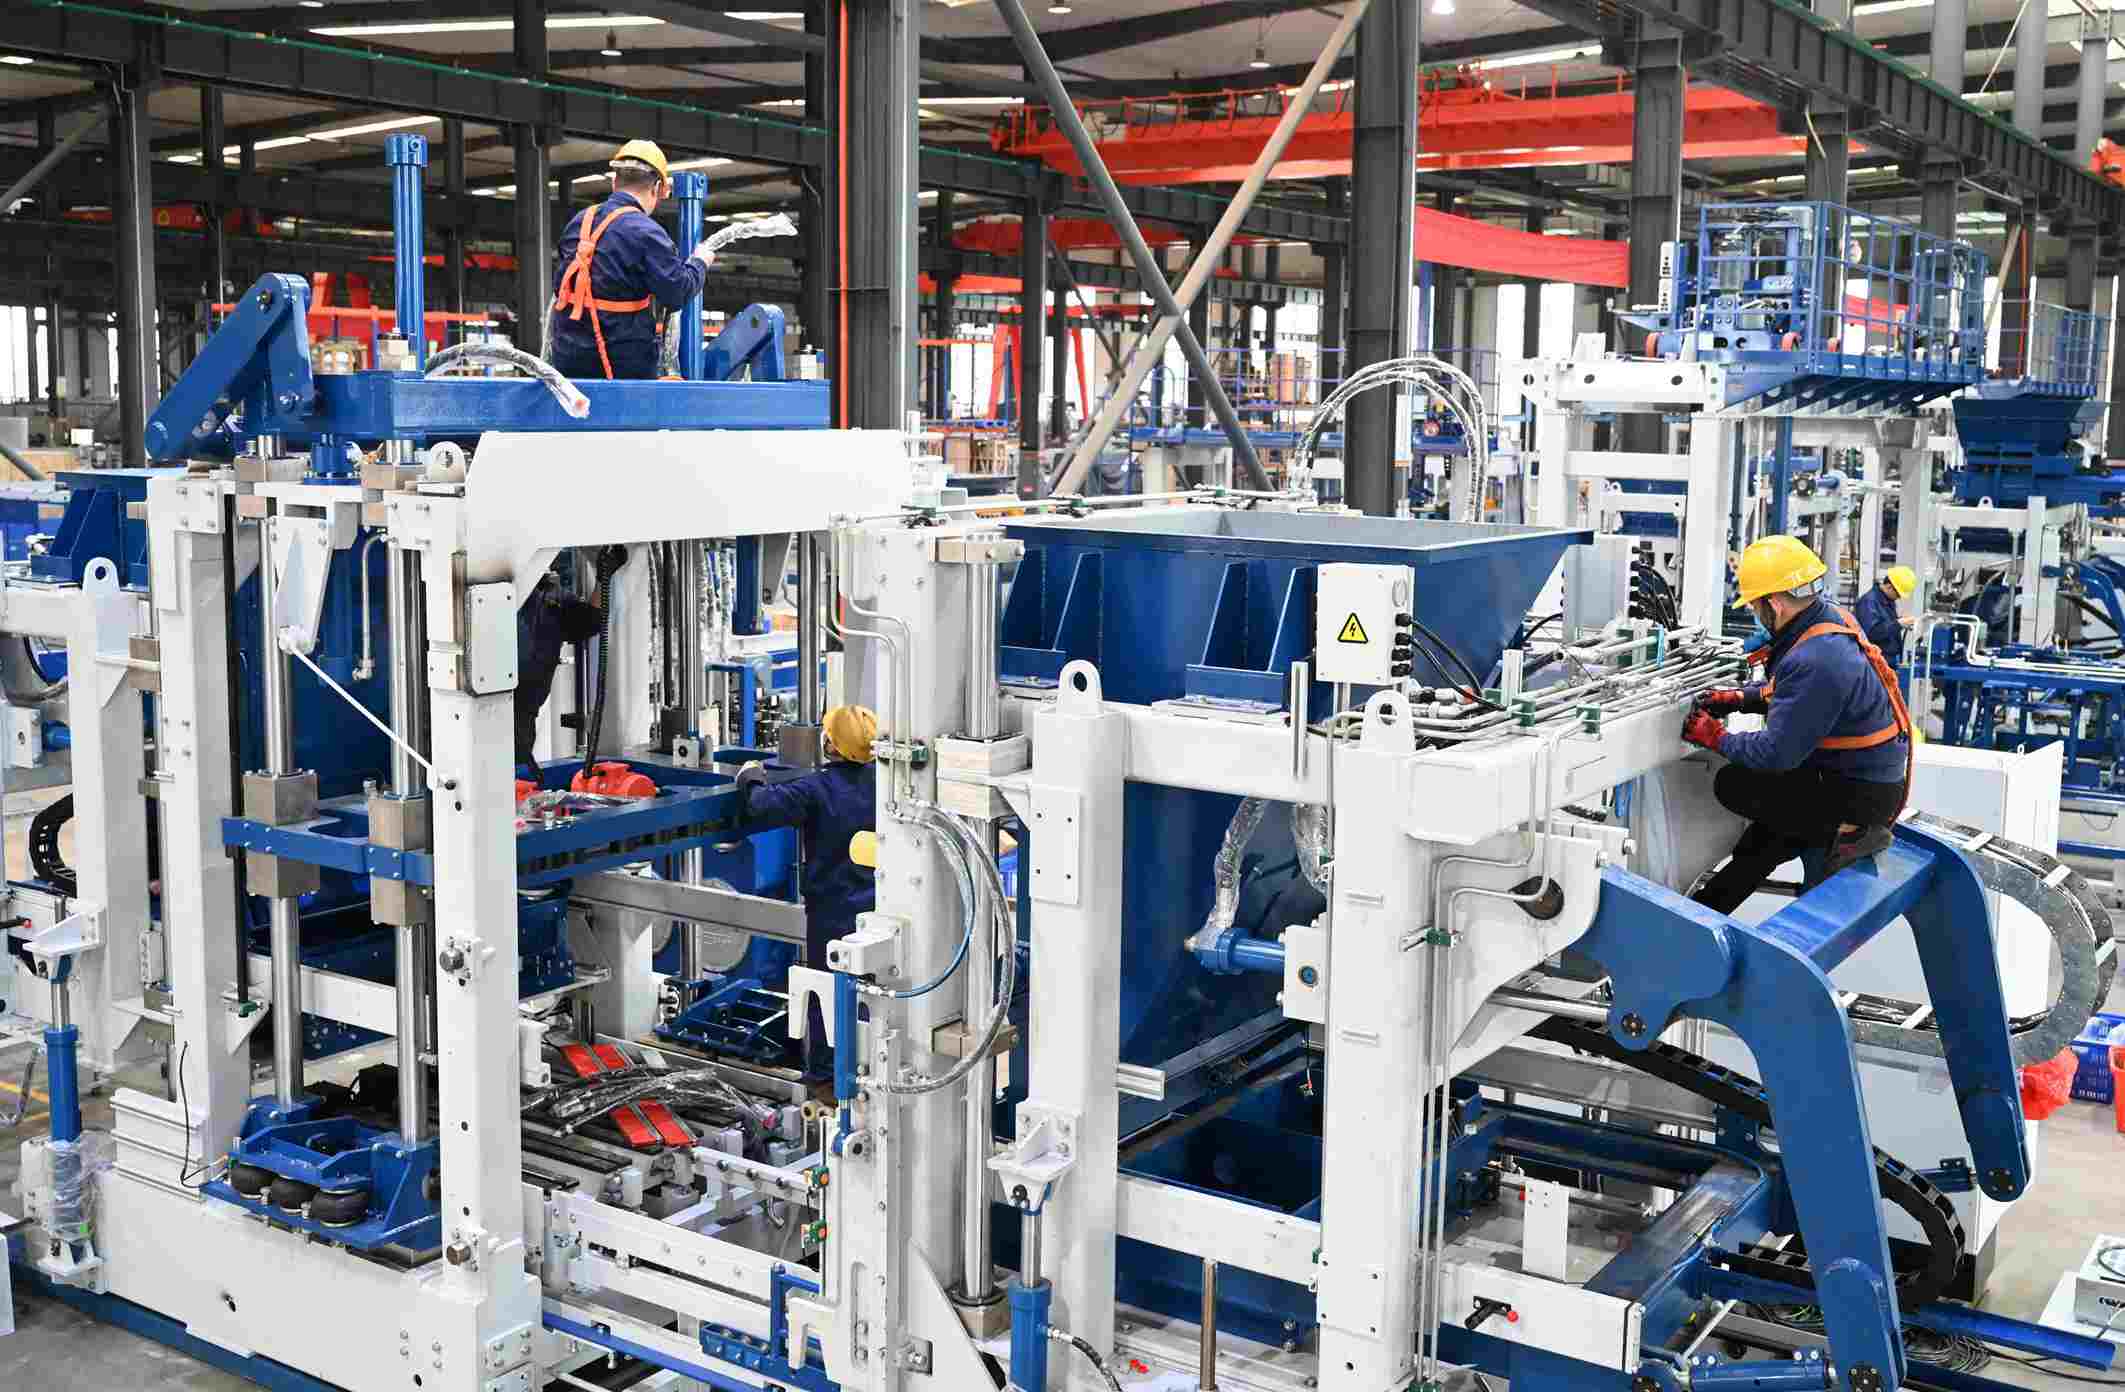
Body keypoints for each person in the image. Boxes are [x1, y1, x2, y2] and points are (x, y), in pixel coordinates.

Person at [1681, 535, 1913, 914]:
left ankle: (1844, 833)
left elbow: (1775, 755)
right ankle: (1708, 908)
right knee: (1767, 839)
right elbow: (1803, 698)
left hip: (1859, 795)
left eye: (1755, 606)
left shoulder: (1817, 658)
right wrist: (1743, 698)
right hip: (1868, 779)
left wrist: (1716, 737)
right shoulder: (1829, 618)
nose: (1756, 614)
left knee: (1734, 784)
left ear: (1774, 603)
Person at [735, 706, 879, 1075]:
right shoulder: (885, 783)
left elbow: (760, 806)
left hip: (832, 912)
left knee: (827, 994)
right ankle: (869, 1070)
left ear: (831, 745)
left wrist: (751, 775)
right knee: (870, 996)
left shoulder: (818, 789)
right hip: (877, 910)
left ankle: (827, 1078)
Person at [549, 140, 718, 380]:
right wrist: (700, 262)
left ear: (614, 182)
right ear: (657, 187)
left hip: (567, 363)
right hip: (621, 367)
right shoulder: (646, 232)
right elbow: (677, 292)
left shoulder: (579, 221)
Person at [515, 547, 628, 780]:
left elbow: (591, 620)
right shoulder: (502, 592)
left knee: (514, 783)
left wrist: (603, 577)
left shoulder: (550, 597)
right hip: (487, 710)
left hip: (524, 717)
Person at [1853, 564, 1917, 665]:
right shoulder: (1869, 602)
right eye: (1898, 594)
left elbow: (1885, 623)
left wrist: (1901, 622)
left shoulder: (1886, 600)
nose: (1899, 598)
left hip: (1886, 660)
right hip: (1875, 662)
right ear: (1889, 587)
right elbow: (1872, 633)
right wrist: (1898, 623)